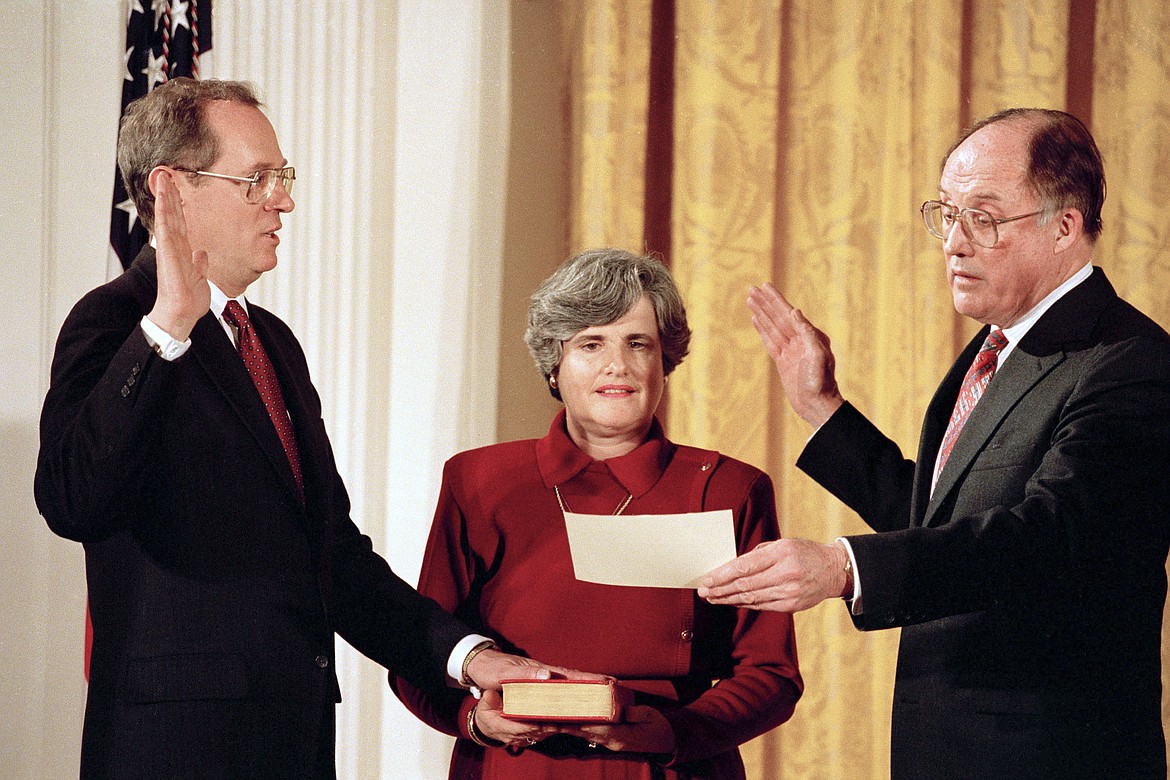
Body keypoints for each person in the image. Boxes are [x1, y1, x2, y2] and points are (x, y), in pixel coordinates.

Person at [34, 77, 587, 778]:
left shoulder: (272, 343)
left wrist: (468, 656)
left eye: (282, 176)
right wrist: (169, 325)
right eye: (257, 179)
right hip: (174, 749)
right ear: (171, 189)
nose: (284, 199)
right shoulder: (114, 323)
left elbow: (330, 555)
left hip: (292, 741)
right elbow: (72, 499)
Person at [699, 108, 1170, 779]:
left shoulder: (1131, 361)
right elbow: (942, 523)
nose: (953, 241)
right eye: (945, 213)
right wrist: (822, 409)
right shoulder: (997, 348)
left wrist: (845, 567)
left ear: (1065, 226)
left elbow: (1049, 539)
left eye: (983, 217)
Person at [392, 249, 803, 779]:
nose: (619, 364)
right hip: (513, 769)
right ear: (554, 366)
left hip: (672, 766)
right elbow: (417, 650)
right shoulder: (478, 481)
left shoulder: (731, 489)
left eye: (639, 344)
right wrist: (475, 720)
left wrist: (675, 732)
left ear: (665, 363)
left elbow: (771, 674)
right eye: (591, 343)